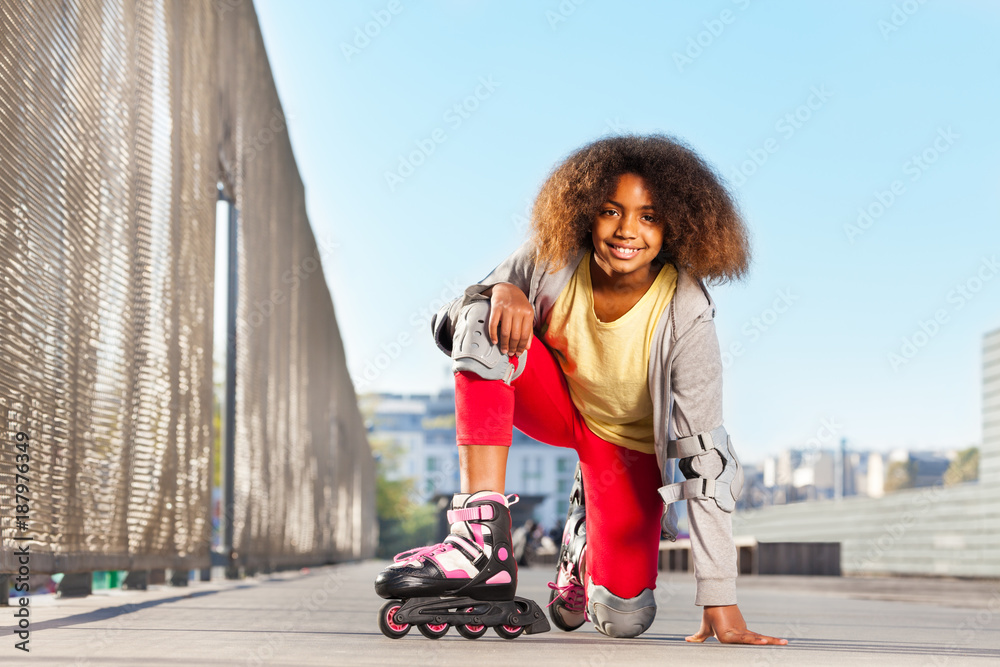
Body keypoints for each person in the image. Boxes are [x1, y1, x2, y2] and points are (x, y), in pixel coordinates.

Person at [375, 134, 787, 645]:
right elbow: (456, 325)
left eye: (648, 216)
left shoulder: (687, 313)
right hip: (558, 405)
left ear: (675, 227)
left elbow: (705, 458)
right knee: (488, 315)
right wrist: (501, 289)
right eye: (612, 210)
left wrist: (720, 599)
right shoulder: (551, 257)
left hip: (627, 451)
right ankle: (477, 540)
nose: (626, 231)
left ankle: (582, 539)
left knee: (625, 618)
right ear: (586, 211)